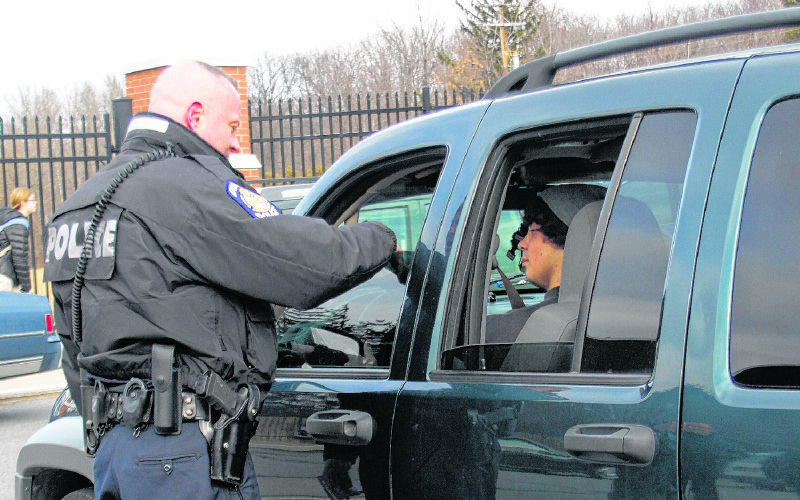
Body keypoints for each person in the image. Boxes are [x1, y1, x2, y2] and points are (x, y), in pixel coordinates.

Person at [43, 61, 399, 500]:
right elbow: (304, 264)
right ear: (195, 115)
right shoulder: (188, 188)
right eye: (231, 125)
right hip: (183, 454)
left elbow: (72, 346)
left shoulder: (75, 208)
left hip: (116, 454)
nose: (235, 141)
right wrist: (384, 238)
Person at [485, 184, 605, 343]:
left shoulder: (505, 331)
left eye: (532, 232)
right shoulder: (629, 316)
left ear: (569, 238)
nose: (522, 244)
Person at [0, 187, 37, 293]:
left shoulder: (7, 220)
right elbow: (20, 257)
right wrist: (26, 287)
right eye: (32, 199)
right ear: (22, 202)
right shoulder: (18, 223)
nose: (35, 202)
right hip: (4, 278)